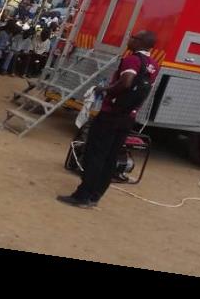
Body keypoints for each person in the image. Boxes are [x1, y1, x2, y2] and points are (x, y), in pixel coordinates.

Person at [57, 31, 160, 208]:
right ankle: (95, 196)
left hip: (111, 115)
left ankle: (83, 195)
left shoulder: (132, 60)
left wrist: (104, 90)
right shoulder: (154, 65)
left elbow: (126, 82)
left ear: (141, 42)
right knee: (111, 157)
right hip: (128, 117)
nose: (129, 39)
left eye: (133, 37)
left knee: (95, 154)